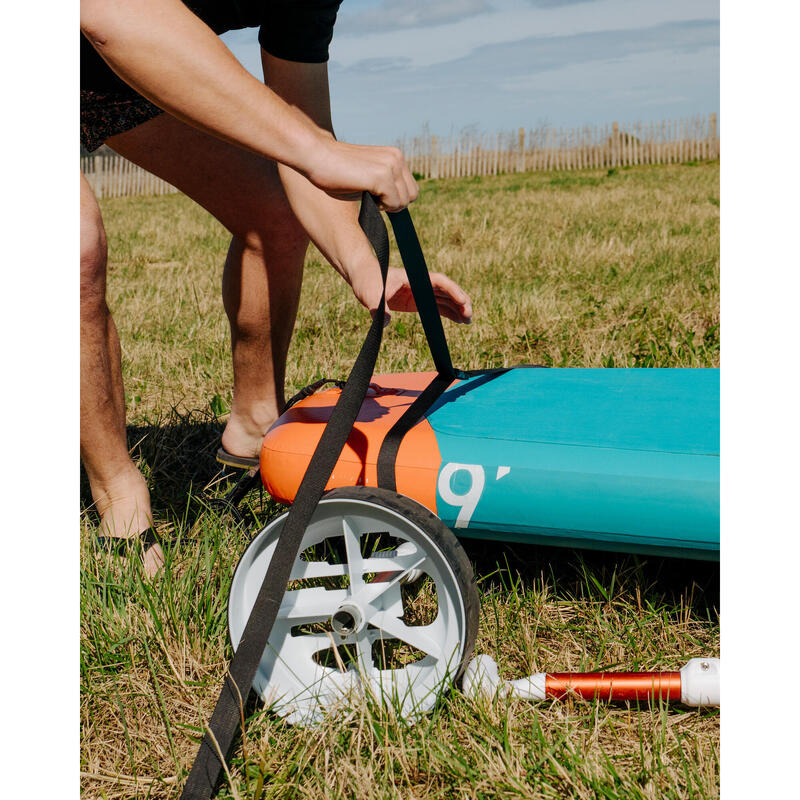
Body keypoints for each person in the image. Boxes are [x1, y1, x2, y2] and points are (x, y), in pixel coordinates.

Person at [80, 0, 473, 574]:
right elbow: (109, 12)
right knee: (74, 249)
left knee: (275, 211)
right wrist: (315, 150)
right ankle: (117, 492)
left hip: (103, 71)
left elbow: (304, 134)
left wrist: (365, 269)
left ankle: (252, 430)